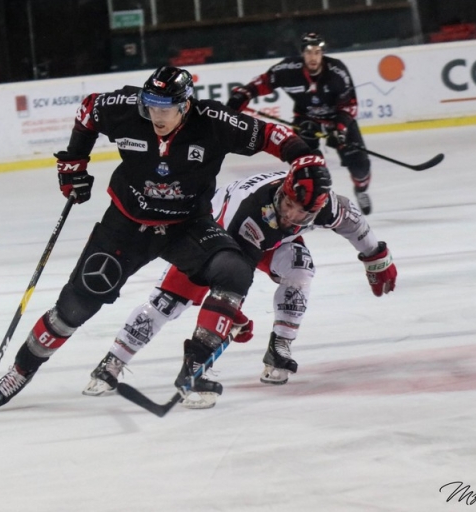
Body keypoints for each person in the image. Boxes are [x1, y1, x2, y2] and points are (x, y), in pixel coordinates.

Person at [0, 65, 331, 408]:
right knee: (74, 307)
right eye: (151, 106)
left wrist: (306, 159)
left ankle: (195, 367)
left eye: (165, 109)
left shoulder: (213, 121)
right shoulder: (124, 107)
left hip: (186, 225)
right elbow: (88, 108)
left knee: (234, 270)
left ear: (185, 105)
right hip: (126, 224)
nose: (156, 115)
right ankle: (20, 370)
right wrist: (73, 164)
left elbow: (273, 134)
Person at [82, 168, 397, 408]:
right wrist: (233, 313)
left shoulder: (325, 206)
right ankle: (111, 364)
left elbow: (354, 222)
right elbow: (231, 279)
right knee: (169, 301)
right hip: (213, 235)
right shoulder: (248, 213)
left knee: (301, 270)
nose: (292, 215)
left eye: (304, 213)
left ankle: (279, 350)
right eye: (288, 205)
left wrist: (375, 256)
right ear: (282, 192)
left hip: (269, 242)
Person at [226, 32, 374, 215]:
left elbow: (350, 105)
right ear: (302, 53)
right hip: (306, 120)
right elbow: (263, 82)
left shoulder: (337, 72)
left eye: (318, 52)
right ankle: (317, 201)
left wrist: (340, 129)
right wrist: (244, 94)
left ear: (323, 54)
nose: (313, 57)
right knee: (308, 165)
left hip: (338, 119)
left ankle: (361, 190)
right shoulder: (289, 69)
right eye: (309, 52)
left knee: (360, 166)